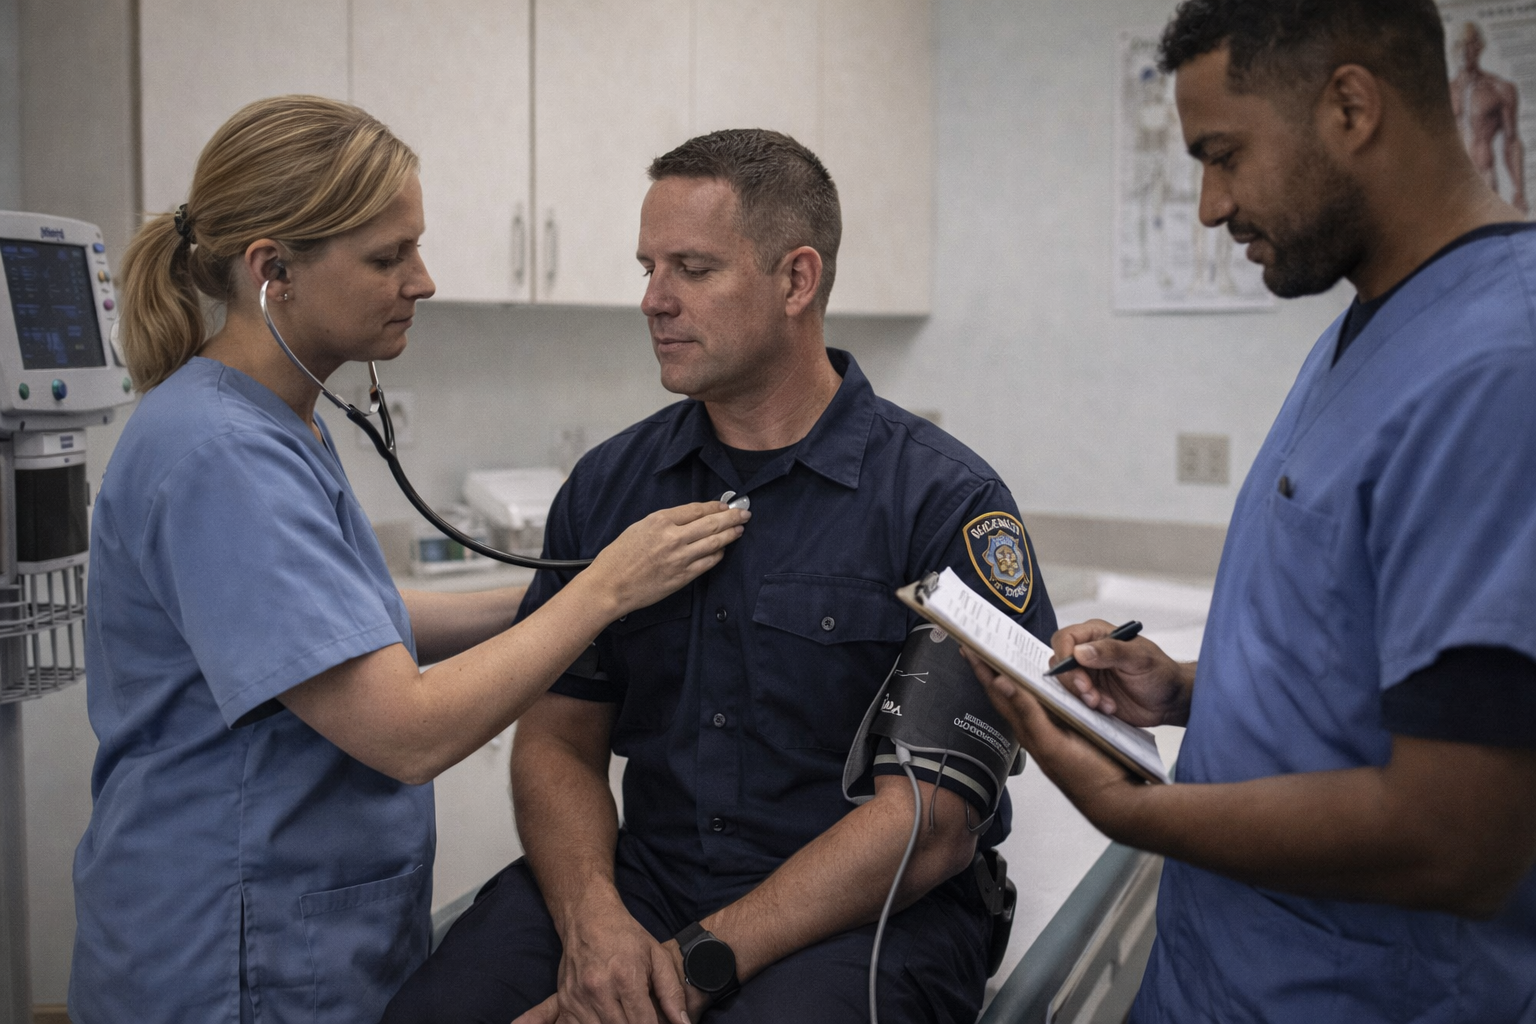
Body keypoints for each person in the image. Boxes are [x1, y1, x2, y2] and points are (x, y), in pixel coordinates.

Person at [70, 95, 747, 1024]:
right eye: (388, 257)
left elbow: (358, 627)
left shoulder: (276, 424)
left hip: (307, 928)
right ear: (274, 272)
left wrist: (571, 595)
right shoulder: (218, 456)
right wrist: (598, 592)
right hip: (235, 952)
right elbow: (406, 731)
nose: (421, 280)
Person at [382, 129, 1056, 1024]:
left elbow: (929, 823)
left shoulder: (948, 504)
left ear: (796, 280)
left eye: (692, 269)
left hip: (868, 914)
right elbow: (557, 741)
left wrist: (691, 968)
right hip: (645, 883)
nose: (653, 300)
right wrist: (592, 926)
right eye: (648, 267)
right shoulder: (610, 488)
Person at [967, 2, 1536, 1022]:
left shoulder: (1499, 370)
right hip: (1221, 973)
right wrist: (1182, 687)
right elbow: (1367, 647)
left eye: (1223, 155)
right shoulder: (1368, 326)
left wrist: (1136, 811)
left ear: (1351, 106)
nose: (1208, 206)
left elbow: (1460, 836)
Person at [1450, 21, 1528, 214]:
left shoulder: (1499, 89)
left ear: (1480, 46)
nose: (1464, 51)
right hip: (1450, 184)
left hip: (1483, 180)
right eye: (1459, 45)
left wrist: (1519, 190)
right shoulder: (1443, 92)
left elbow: (1511, 142)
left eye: (1469, 44)